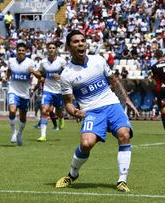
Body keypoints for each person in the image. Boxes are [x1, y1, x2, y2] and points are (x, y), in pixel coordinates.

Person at [55, 30, 133, 192]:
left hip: (112, 105)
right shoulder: (67, 75)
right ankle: (72, 173)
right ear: (68, 47)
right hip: (92, 111)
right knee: (86, 144)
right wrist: (76, 112)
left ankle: (122, 180)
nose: (81, 44)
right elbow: (68, 103)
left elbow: (113, 80)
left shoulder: (98, 60)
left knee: (124, 135)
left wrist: (125, 98)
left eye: (83, 40)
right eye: (76, 42)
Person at [30, 42, 66, 142]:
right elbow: (40, 75)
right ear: (47, 49)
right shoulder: (43, 62)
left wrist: (60, 77)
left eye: (53, 48)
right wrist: (33, 71)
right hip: (47, 90)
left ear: (56, 50)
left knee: (59, 111)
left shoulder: (61, 61)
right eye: (49, 48)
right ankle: (43, 135)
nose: (51, 49)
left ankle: (61, 118)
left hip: (59, 90)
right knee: (44, 110)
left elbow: (68, 74)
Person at [5, 43, 36, 146]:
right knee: (12, 110)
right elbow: (8, 71)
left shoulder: (30, 62)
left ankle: (19, 134)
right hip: (13, 90)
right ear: (16, 51)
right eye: (19, 50)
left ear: (26, 51)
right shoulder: (11, 61)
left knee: (23, 117)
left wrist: (33, 72)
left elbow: (39, 75)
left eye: (23, 50)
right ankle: (13, 132)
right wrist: (6, 77)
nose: (21, 52)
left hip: (24, 94)